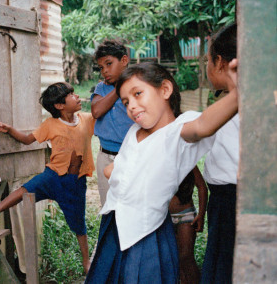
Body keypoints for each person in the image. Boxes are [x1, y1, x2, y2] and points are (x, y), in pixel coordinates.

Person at [85, 62, 238, 283]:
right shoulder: (134, 132)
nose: (132, 106)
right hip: (114, 226)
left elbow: (203, 125)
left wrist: (238, 92)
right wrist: (119, 173)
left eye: (138, 94)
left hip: (146, 233)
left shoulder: (178, 131)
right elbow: (117, 168)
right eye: (126, 102)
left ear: (165, 90)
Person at [0, 82, 95, 273]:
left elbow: (103, 114)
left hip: (76, 183)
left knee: (79, 224)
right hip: (53, 176)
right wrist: (9, 129)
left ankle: (86, 261)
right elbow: (26, 140)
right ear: (59, 106)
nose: (77, 96)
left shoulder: (87, 119)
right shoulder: (50, 124)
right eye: (71, 94)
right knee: (23, 191)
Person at [201, 23, 239, 284]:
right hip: (223, 200)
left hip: (232, 201)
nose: (206, 67)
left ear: (220, 62)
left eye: (207, 60)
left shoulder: (232, 107)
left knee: (226, 267)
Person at [91, 40, 134, 206]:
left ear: (124, 60)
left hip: (130, 155)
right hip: (105, 156)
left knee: (130, 204)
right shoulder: (101, 88)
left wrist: (125, 84)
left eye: (109, 64)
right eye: (101, 67)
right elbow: (96, 111)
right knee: (108, 206)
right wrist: (119, 88)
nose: (105, 71)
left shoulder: (137, 86)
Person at [169, 166, 208, 284]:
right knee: (174, 259)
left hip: (185, 215)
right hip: (164, 218)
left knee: (186, 256)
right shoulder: (158, 158)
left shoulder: (187, 158)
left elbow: (202, 187)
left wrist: (201, 215)